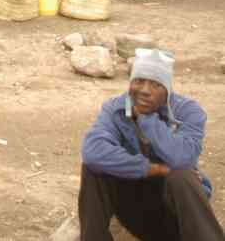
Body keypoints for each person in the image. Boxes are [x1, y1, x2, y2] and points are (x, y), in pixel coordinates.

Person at [79, 47, 224, 240]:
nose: (145, 90)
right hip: (134, 208)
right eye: (139, 81)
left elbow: (183, 158)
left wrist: (147, 119)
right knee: (93, 168)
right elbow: (92, 152)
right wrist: (151, 168)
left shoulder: (187, 111)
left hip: (176, 214)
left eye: (156, 84)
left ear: (167, 90)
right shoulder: (116, 108)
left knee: (181, 175)